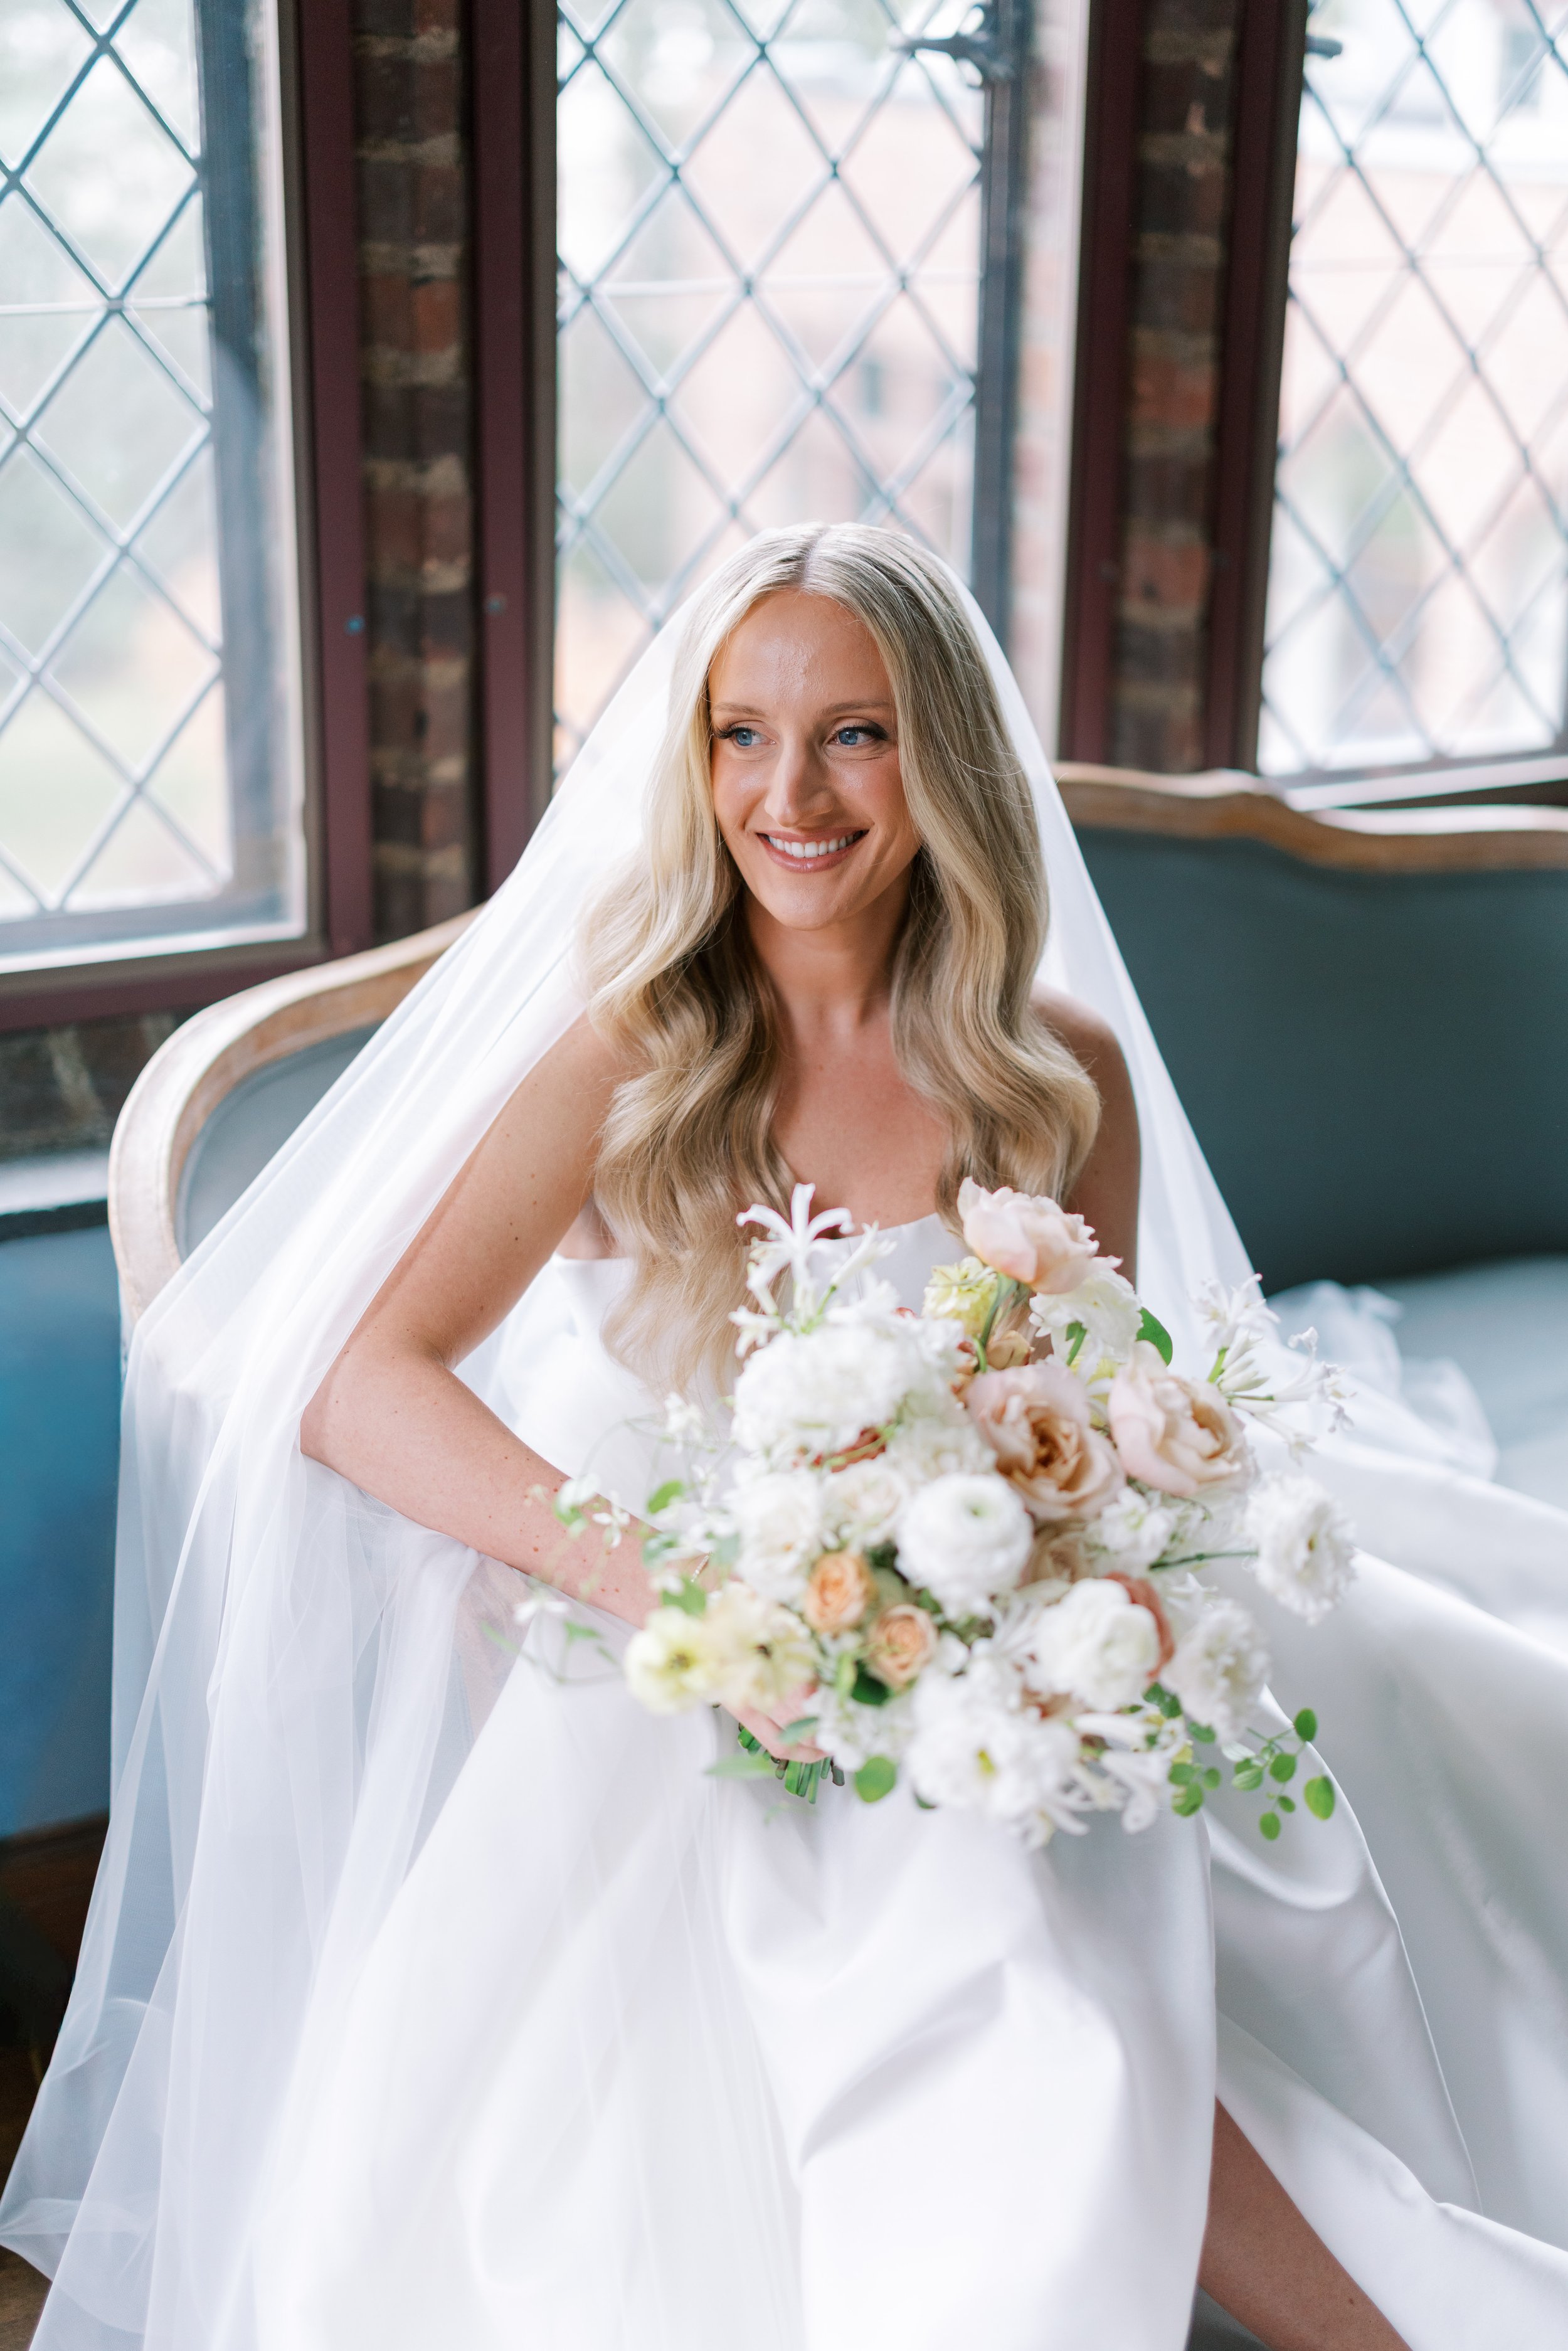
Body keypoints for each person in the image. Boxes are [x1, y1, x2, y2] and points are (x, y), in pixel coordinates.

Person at [4, 528, 1566, 2350]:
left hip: (968, 1618)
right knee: (960, 1884)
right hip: (687, 1639)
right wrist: (672, 1580)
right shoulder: (638, 1050)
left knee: (1303, 1753)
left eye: (852, 734)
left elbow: (1095, 1406)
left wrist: (1062, 1595)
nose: (787, 792)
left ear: (943, 762)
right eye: (739, 735)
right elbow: (362, 1374)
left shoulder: (1053, 1069)